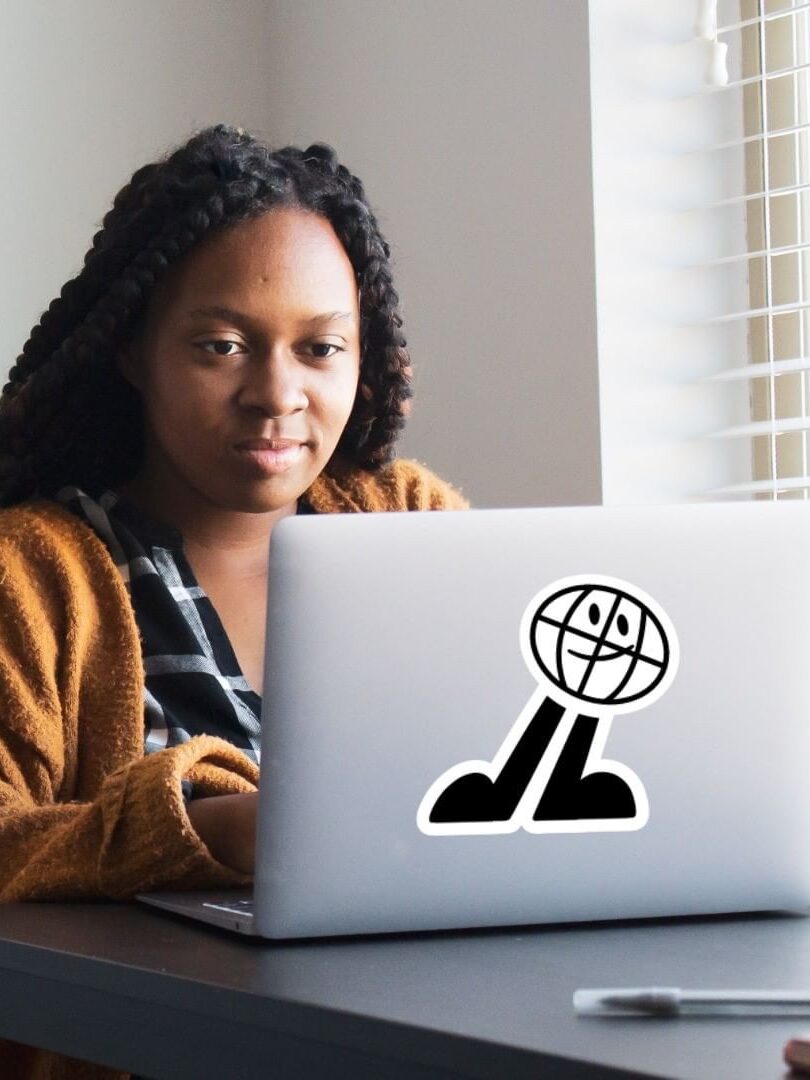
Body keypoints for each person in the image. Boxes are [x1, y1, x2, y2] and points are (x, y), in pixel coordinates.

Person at [0, 123, 469, 1080]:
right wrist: (210, 831)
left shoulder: (410, 522)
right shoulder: (32, 572)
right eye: (222, 345)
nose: (277, 394)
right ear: (134, 350)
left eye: (320, 348)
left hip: (421, 1020)